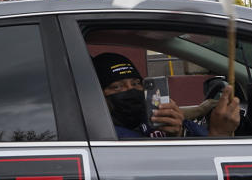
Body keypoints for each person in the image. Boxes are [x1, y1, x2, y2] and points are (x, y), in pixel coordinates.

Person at [92, 52, 241, 138]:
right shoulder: (106, 135)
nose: (131, 91)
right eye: (117, 87)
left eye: (136, 83)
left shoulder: (156, 116)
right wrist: (219, 133)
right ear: (99, 95)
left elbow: (198, 134)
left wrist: (180, 131)